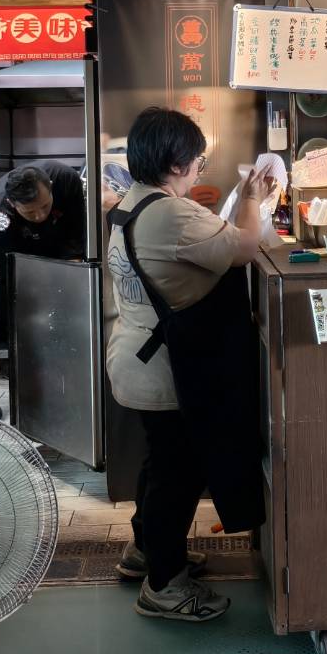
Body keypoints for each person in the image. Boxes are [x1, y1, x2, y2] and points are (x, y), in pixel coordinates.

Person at [105, 108, 273, 622]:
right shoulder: (169, 214)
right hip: (163, 367)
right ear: (178, 163)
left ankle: (146, 551)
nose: (201, 166)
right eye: (199, 159)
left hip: (136, 355)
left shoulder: (135, 202)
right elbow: (246, 246)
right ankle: (165, 585)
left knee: (160, 464)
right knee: (176, 476)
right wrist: (253, 198)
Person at [0, 160, 87, 260]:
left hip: (59, 235)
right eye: (30, 212)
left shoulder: (66, 180)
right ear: (11, 203)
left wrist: (73, 264)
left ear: (51, 186)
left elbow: (75, 231)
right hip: (22, 245)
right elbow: (7, 262)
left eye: (45, 206)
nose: (40, 216)